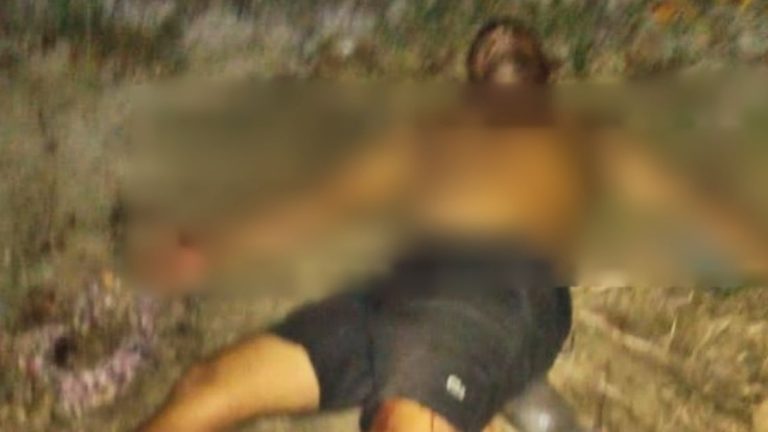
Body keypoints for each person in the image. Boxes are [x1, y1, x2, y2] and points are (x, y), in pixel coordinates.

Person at [137, 17, 768, 432]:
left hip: (494, 289)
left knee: (403, 419)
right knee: (205, 386)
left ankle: (485, 387)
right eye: (487, 44)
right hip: (389, 297)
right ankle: (496, 393)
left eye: (515, 40)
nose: (501, 35)